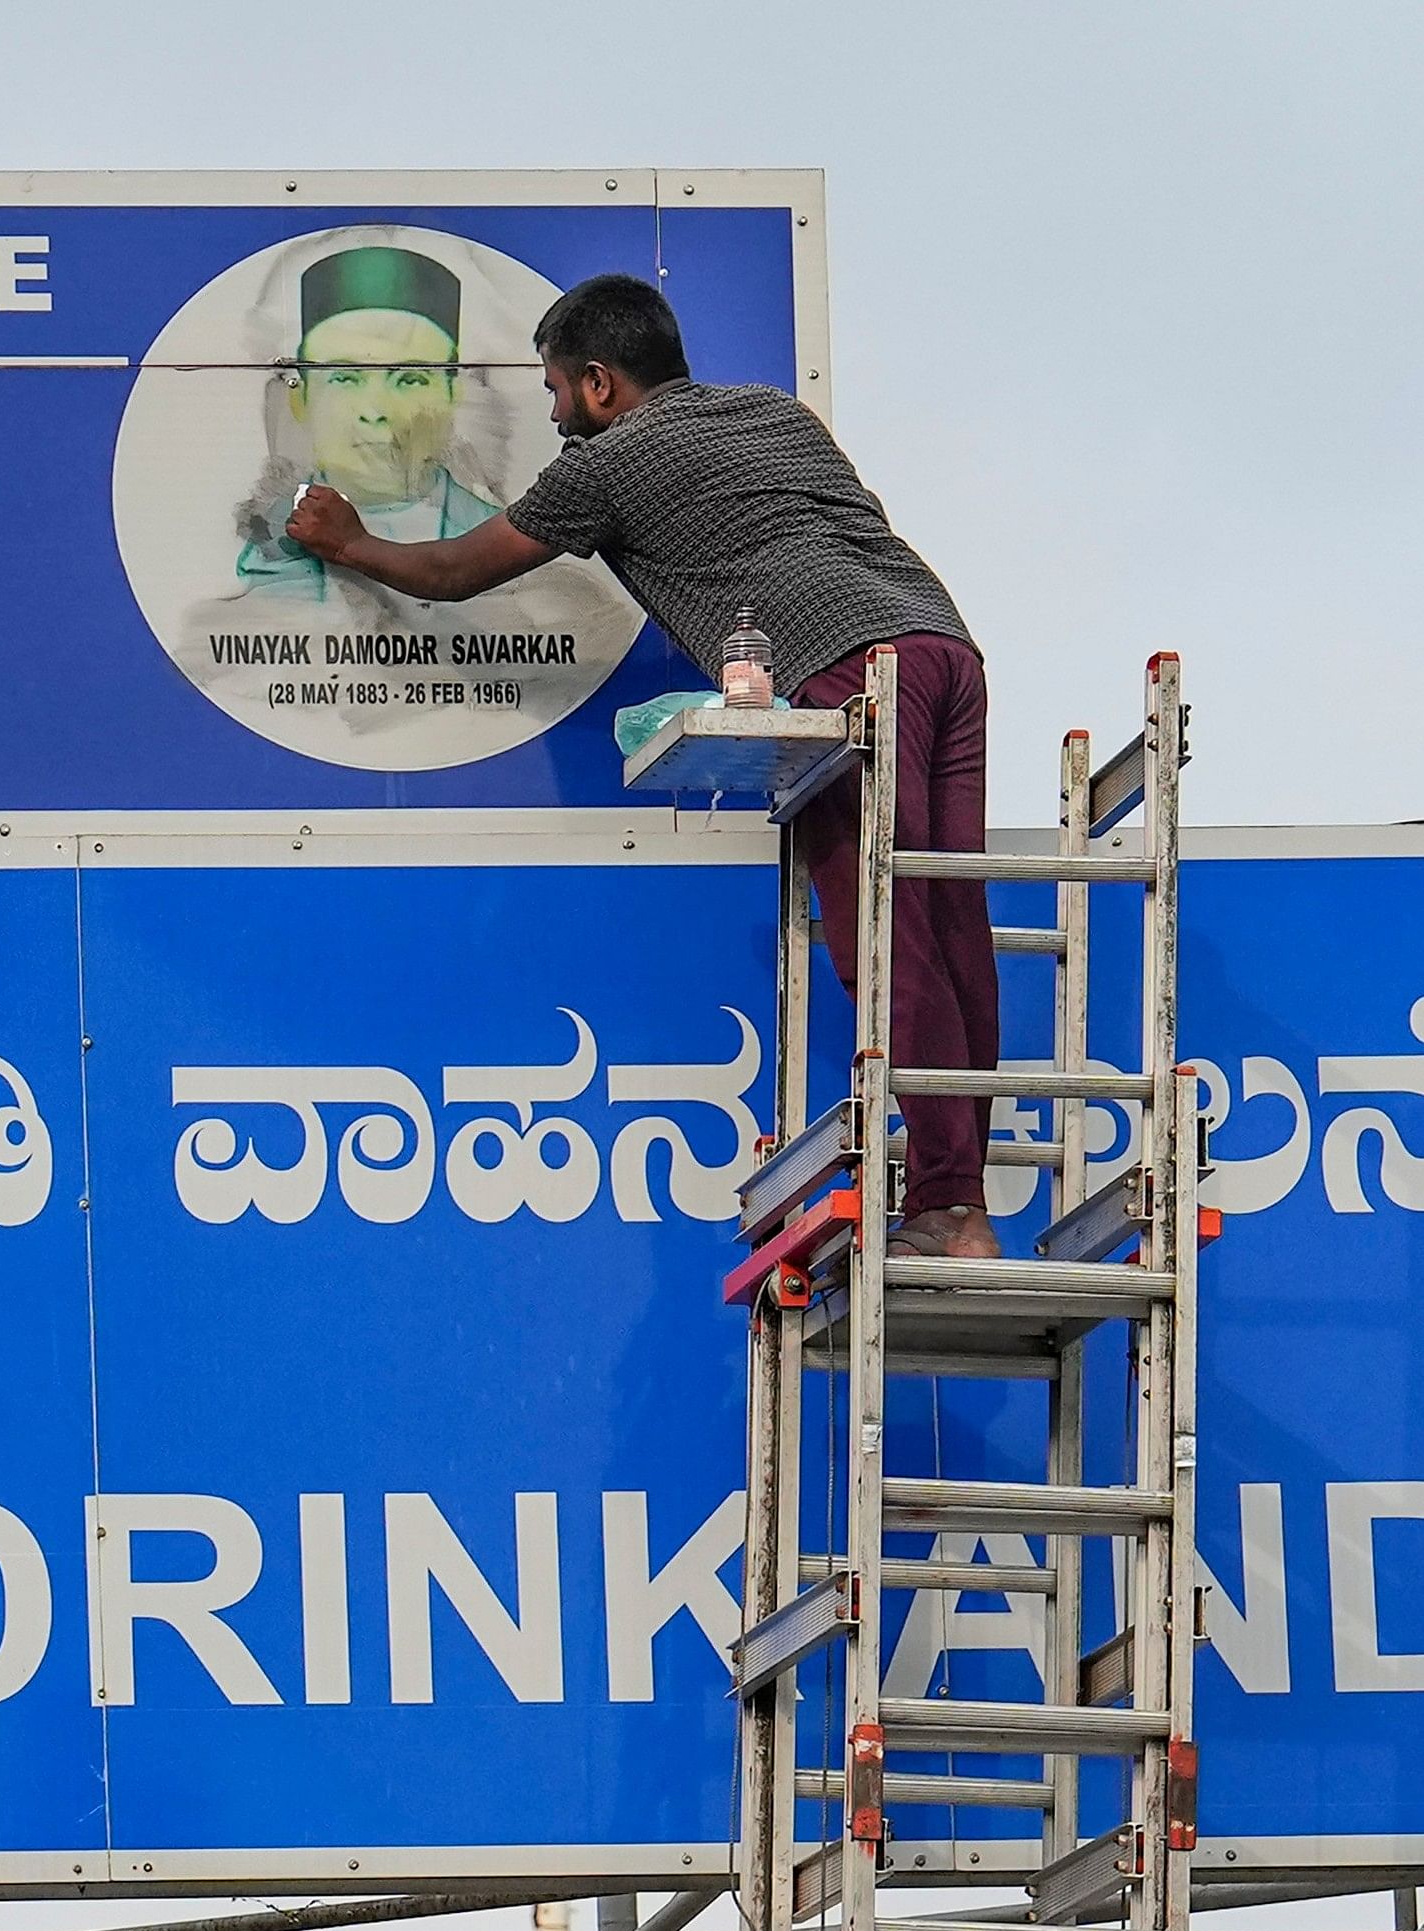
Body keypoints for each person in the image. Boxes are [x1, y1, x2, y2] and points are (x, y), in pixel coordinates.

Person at [280, 272, 999, 1260]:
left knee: (883, 933)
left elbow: (452, 574)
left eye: (555, 391)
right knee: (950, 923)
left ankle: (946, 1213)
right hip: (942, 643)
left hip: (851, 671)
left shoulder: (607, 463)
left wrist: (348, 539)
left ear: (601, 385)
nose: (553, 414)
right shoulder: (774, 414)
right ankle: (966, 1203)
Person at [232, 245, 507, 599]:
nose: (376, 411)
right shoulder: (268, 549)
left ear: (451, 396)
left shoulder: (496, 543)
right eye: (345, 378)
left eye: (409, 379)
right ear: (299, 397)